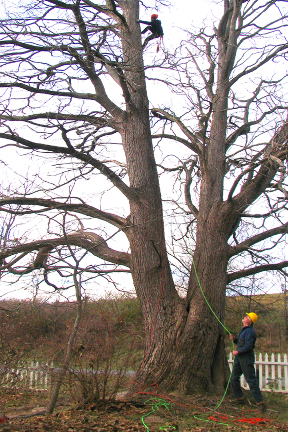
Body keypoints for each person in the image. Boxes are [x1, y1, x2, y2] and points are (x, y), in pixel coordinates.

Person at [229, 312, 265, 410]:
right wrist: (234, 339)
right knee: (234, 378)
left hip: (246, 358)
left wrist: (238, 351)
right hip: (239, 358)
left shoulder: (250, 332)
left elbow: (249, 346)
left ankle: (260, 403)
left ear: (249, 321)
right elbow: (241, 342)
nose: (244, 317)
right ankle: (239, 398)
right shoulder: (244, 330)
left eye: (246, 316)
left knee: (251, 380)